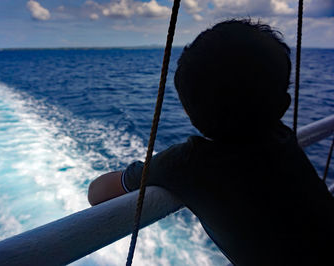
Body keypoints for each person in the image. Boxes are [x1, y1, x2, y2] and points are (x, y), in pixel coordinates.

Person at [87, 19, 334, 265]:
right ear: (284, 105)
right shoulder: (282, 137)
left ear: (187, 110)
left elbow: (97, 193)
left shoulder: (189, 163)